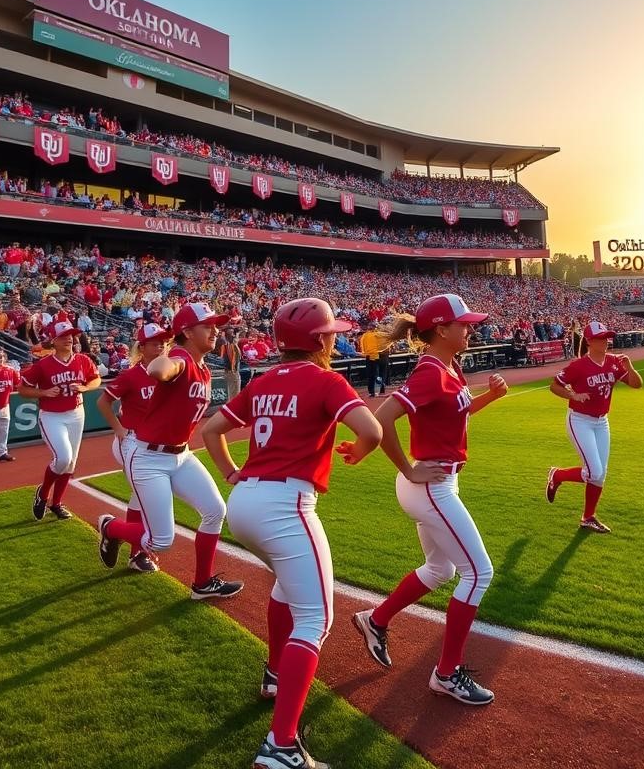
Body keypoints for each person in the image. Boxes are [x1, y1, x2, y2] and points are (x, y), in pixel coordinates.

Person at [201, 298, 383, 769]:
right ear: (320, 339)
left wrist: (230, 472)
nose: (332, 339)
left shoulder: (263, 380)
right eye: (329, 333)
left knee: (288, 586)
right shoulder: (326, 379)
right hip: (286, 504)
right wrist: (360, 450)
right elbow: (373, 431)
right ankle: (281, 747)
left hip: (245, 503)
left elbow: (212, 430)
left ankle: (274, 675)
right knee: (317, 620)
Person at [352, 293, 507, 707]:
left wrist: (488, 398)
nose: (470, 328)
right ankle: (446, 673)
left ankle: (375, 619)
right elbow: (380, 420)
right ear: (441, 329)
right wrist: (406, 468)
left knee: (440, 569)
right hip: (430, 484)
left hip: (438, 484)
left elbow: (453, 414)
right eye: (464, 323)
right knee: (479, 573)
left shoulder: (447, 367)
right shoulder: (430, 371)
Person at [97, 302, 244, 600]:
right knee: (161, 541)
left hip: (181, 455)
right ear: (187, 332)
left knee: (216, 510)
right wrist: (163, 365)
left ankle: (203, 583)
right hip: (148, 457)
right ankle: (111, 528)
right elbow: (161, 367)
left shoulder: (202, 367)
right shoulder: (180, 357)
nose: (215, 330)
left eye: (216, 325)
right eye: (208, 325)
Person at [546, 321, 643, 533]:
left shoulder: (614, 362)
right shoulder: (578, 366)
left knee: (600, 474)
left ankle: (588, 517)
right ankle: (558, 475)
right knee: (594, 471)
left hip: (602, 422)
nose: (606, 341)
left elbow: (637, 384)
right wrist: (573, 394)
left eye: (607, 337)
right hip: (580, 420)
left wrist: (629, 368)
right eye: (601, 338)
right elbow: (554, 385)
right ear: (589, 342)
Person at [96, 323, 173, 573]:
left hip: (156, 445)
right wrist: (118, 429)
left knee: (140, 499)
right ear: (141, 347)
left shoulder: (170, 372)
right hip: (131, 443)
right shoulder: (131, 375)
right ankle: (133, 548)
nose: (161, 345)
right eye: (154, 342)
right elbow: (103, 401)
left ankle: (127, 544)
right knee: (146, 498)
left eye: (163, 341)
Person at [20, 318, 102, 519]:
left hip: (76, 412)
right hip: (52, 416)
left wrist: (85, 387)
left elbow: (96, 379)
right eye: (63, 336)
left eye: (71, 336)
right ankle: (43, 493)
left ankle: (56, 504)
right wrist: (44, 393)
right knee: (63, 458)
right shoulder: (43, 364)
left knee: (71, 463)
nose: (69, 339)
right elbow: (23, 389)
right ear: (54, 341)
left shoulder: (83, 359)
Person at [358, 321, 390, 398]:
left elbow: (363, 348)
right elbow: (387, 345)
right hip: (382, 356)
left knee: (372, 375)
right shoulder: (382, 334)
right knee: (382, 374)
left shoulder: (365, 336)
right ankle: (381, 390)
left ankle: (372, 391)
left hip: (371, 357)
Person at [216, 328, 242, 400]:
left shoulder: (230, 344)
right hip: (232, 371)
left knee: (233, 392)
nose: (234, 334)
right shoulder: (227, 345)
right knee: (233, 393)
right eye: (232, 332)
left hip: (232, 371)